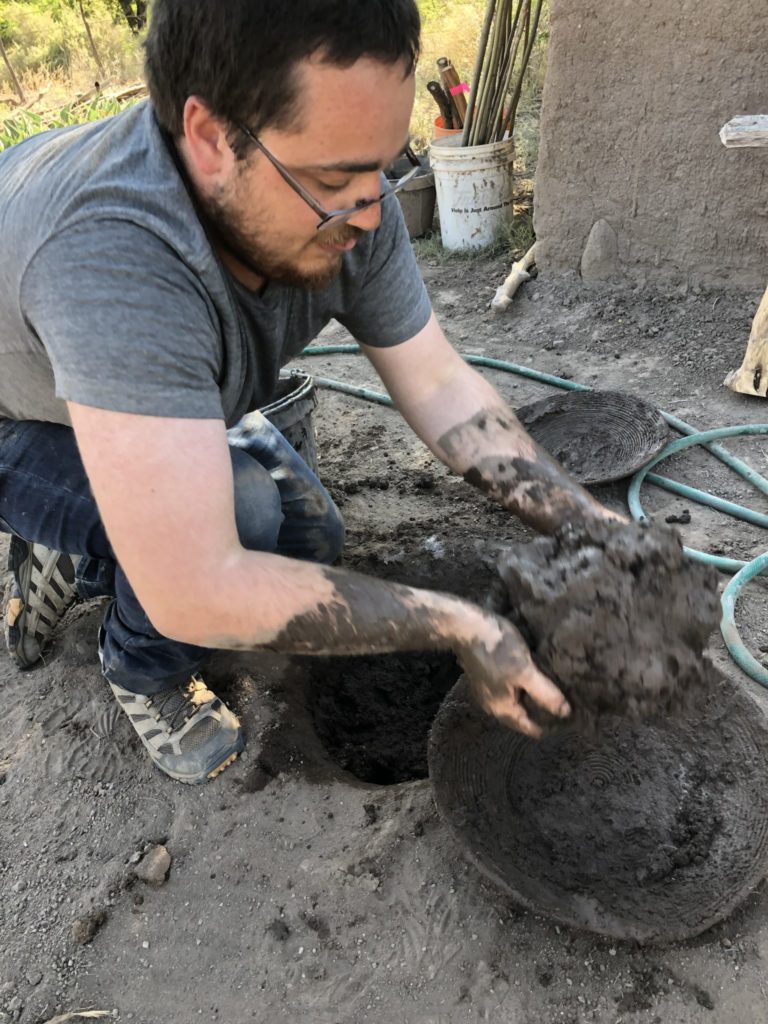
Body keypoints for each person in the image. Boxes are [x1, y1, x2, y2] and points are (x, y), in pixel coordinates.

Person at [0, 0, 616, 786]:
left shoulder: (352, 195)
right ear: (212, 138)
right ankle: (136, 665)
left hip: (101, 379)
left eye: (384, 165)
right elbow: (197, 591)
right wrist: (458, 624)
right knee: (243, 516)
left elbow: (436, 383)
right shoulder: (113, 257)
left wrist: (585, 519)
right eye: (334, 179)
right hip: (17, 413)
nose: (371, 211)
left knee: (312, 538)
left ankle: (115, 518)